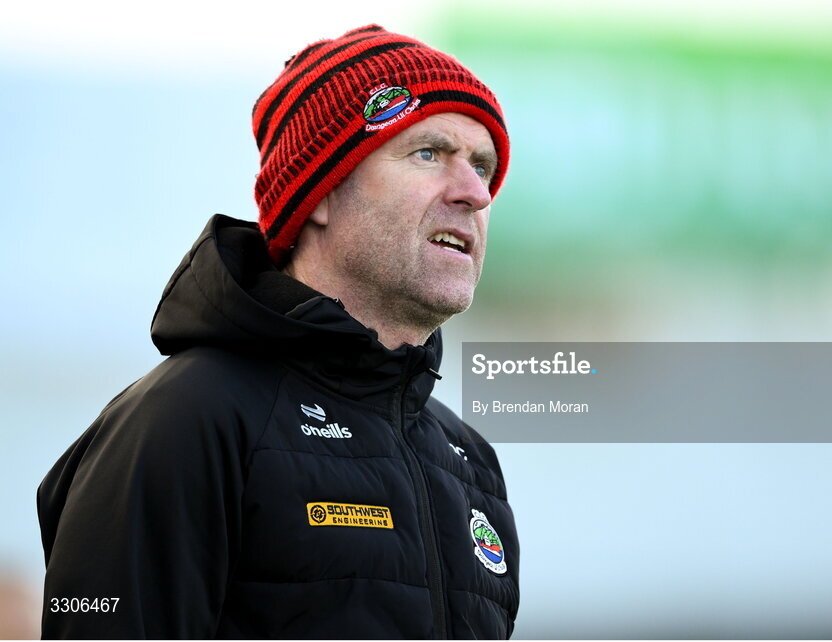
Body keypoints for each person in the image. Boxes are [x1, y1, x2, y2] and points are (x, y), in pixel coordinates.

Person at [37, 25, 518, 639]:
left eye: (482, 166)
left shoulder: (470, 461)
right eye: (428, 153)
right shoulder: (187, 418)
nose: (476, 193)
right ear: (318, 194)